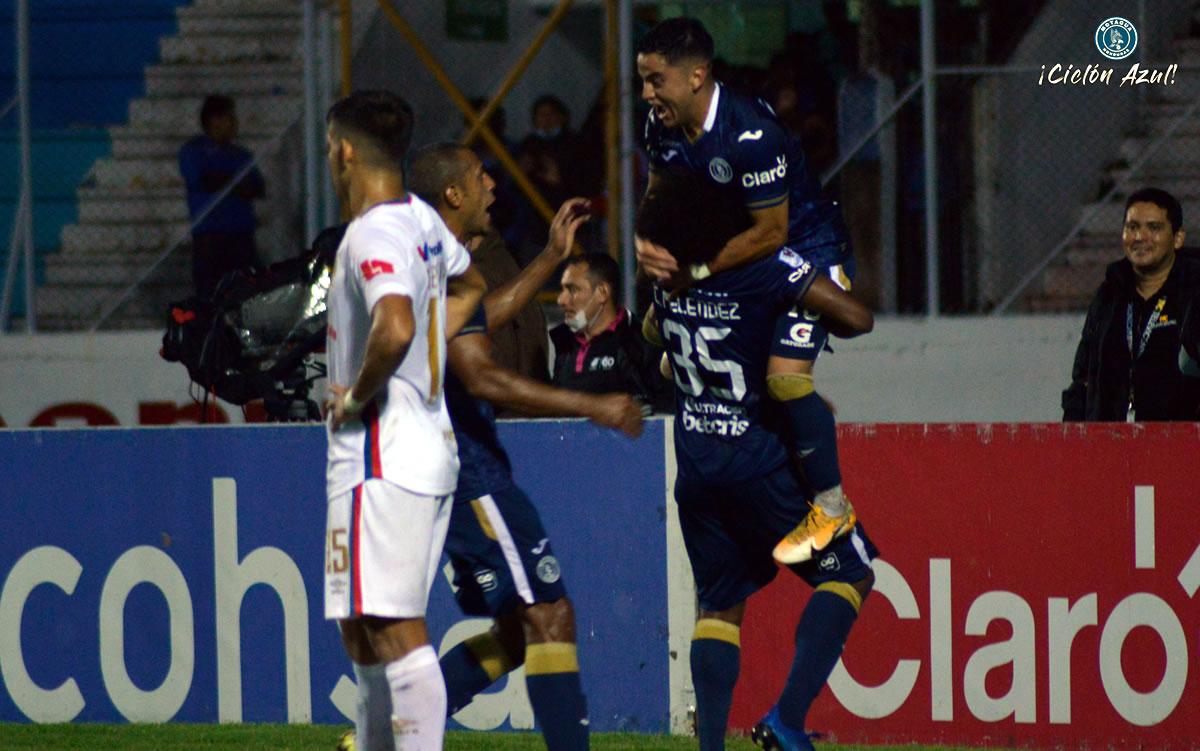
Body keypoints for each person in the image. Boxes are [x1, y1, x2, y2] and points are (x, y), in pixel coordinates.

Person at [403, 141, 644, 750]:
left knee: (518, 632)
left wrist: (549, 257)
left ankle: (379, 735)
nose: (492, 185)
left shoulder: (425, 258)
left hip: (442, 468)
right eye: (479, 176)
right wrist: (592, 405)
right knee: (549, 614)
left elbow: (484, 315)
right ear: (453, 193)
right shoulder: (443, 269)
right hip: (469, 470)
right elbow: (481, 375)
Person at [637, 165, 877, 751]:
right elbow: (857, 318)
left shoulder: (669, 280)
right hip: (759, 467)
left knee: (719, 606)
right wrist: (805, 300)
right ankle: (786, 719)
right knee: (850, 573)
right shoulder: (763, 270)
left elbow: (654, 337)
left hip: (697, 470)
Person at [634, 17, 858, 567]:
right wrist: (646, 245)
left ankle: (831, 505)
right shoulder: (660, 126)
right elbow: (659, 199)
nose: (646, 94)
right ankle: (795, 428)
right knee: (659, 339)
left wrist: (697, 271)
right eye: (642, 80)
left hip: (805, 251)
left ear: (696, 76)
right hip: (736, 255)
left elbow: (771, 234)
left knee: (785, 378)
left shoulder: (752, 134)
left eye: (656, 80)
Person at [321, 90, 486, 751]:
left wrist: (356, 397)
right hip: (416, 450)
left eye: (330, 147)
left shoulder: (375, 232)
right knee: (362, 630)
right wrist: (425, 351)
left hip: (382, 455)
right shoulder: (420, 219)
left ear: (346, 151)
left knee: (395, 631)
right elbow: (469, 284)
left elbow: (393, 326)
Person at [1063, 187, 1200, 421]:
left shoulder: (1194, 294)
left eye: (1153, 228)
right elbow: (1083, 377)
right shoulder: (1109, 295)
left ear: (1177, 238)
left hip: (1180, 439)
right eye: (1132, 227)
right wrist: (1073, 431)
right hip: (1112, 438)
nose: (1140, 237)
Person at [550, 253, 670, 411]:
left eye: (573, 290)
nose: (561, 300)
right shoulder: (564, 343)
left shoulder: (638, 343)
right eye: (563, 289)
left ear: (602, 292)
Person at [178, 94, 266, 297]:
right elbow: (204, 181)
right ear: (214, 120)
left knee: (247, 291)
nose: (235, 123)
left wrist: (226, 181)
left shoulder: (240, 154)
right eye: (230, 118)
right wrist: (236, 183)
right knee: (210, 293)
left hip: (241, 235)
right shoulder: (194, 151)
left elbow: (258, 188)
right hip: (210, 236)